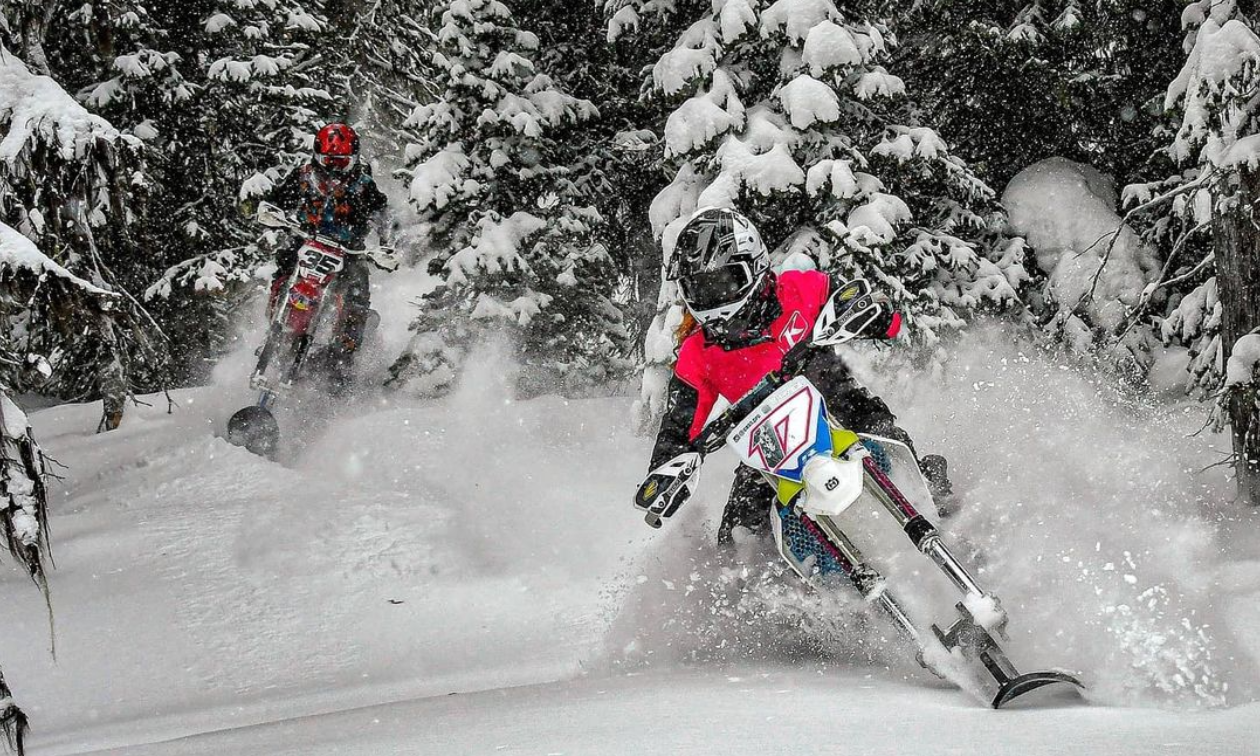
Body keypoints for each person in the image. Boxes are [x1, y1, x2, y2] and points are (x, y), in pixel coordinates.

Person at [636, 206, 953, 543]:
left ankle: (944, 517)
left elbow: (874, 310)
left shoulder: (801, 289)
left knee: (889, 440)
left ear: (754, 267)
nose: (714, 296)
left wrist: (873, 312)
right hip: (769, 449)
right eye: (700, 287)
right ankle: (760, 589)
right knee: (737, 535)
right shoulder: (697, 354)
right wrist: (666, 471)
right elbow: (679, 425)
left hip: (838, 410)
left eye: (723, 280)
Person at [264, 122, 389, 391]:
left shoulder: (363, 185)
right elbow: (276, 199)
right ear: (317, 156)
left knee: (356, 296)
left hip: (348, 250)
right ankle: (277, 326)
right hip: (306, 241)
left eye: (341, 163)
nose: (334, 169)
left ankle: (345, 356)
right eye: (329, 161)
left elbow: (383, 216)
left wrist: (386, 244)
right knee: (285, 269)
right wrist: (270, 211)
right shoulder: (303, 177)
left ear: (353, 159)